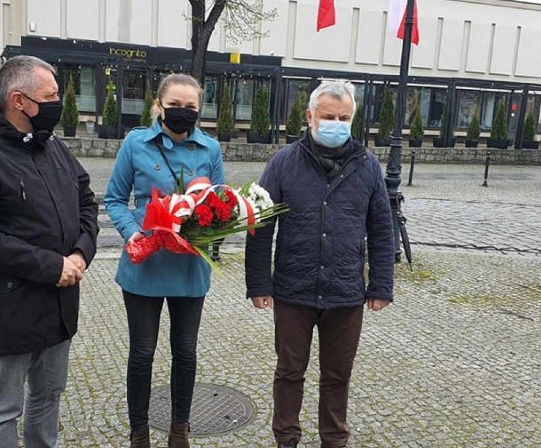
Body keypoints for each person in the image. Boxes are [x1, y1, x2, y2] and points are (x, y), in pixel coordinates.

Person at [0, 55, 99, 448]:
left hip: (60, 302)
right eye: (50, 96)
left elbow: (87, 201)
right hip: (12, 306)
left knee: (48, 396)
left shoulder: (52, 146)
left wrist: (82, 252)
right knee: (3, 410)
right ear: (19, 100)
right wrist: (53, 266)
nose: (58, 103)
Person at [245, 80, 395, 448]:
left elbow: (381, 230)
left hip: (345, 292)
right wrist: (258, 284)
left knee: (337, 376)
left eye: (344, 117)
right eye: (328, 116)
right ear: (310, 117)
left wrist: (381, 285)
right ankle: (286, 438)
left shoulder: (368, 166)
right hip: (293, 288)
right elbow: (260, 226)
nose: (336, 123)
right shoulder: (283, 163)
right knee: (289, 371)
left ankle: (334, 439)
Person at [104, 73, 224, 448]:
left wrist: (206, 233)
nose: (182, 113)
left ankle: (179, 431)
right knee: (142, 352)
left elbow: (220, 207)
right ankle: (139, 432)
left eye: (191, 107)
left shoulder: (211, 149)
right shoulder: (136, 143)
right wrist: (132, 231)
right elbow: (113, 199)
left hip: (189, 268)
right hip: (146, 264)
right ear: (159, 105)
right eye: (175, 105)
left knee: (185, 352)